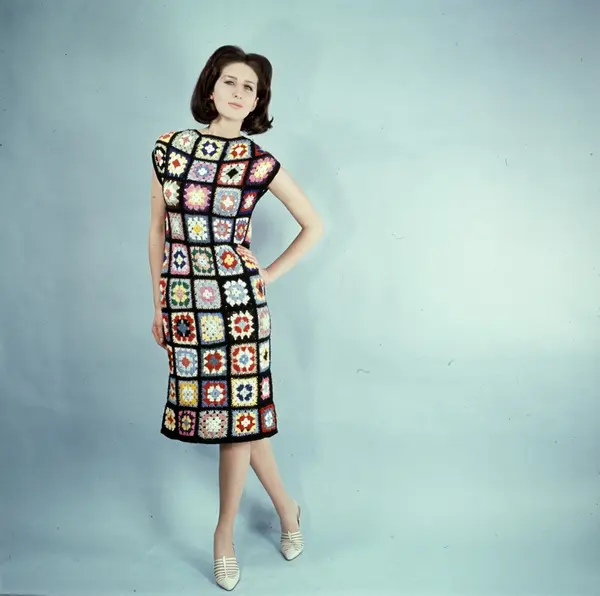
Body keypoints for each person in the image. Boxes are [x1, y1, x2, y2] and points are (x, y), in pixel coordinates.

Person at [147, 45, 325, 591]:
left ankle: (223, 533)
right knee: (238, 421)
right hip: (186, 304)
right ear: (210, 87)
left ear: (256, 103)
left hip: (238, 306)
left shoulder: (257, 162)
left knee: (237, 421)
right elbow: (157, 231)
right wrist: (159, 302)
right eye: (230, 81)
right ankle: (288, 509)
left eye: (250, 87)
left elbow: (314, 225)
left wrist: (265, 274)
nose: (238, 92)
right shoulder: (169, 148)